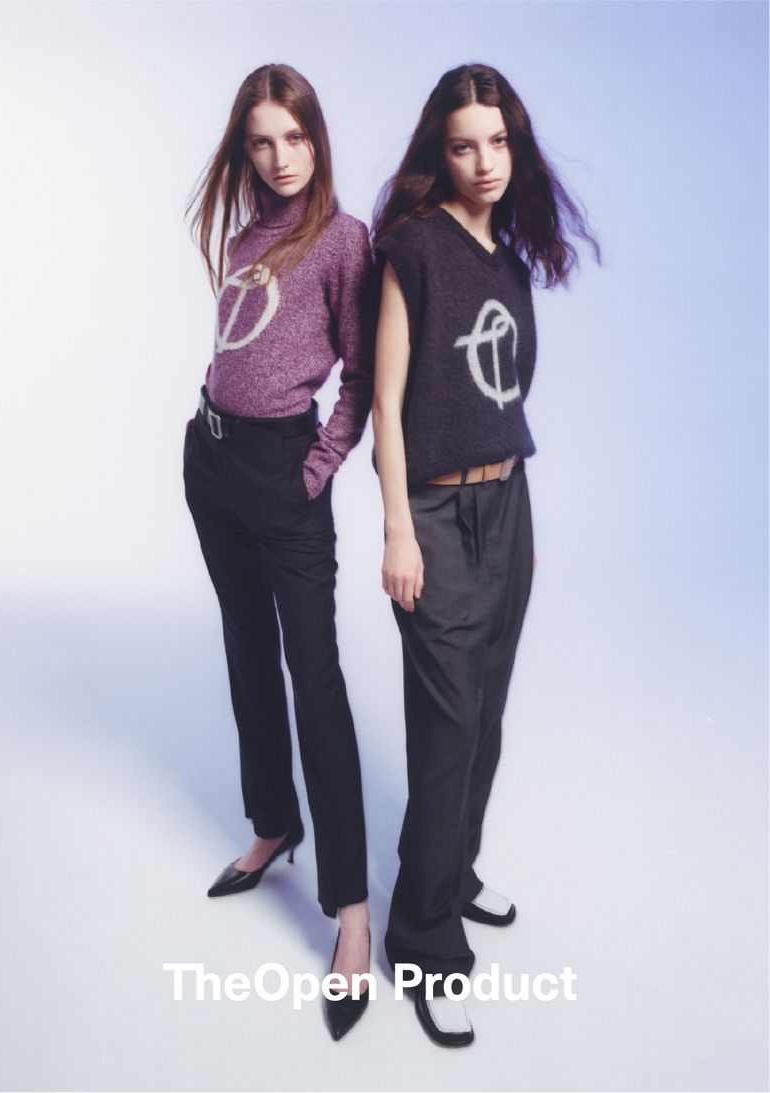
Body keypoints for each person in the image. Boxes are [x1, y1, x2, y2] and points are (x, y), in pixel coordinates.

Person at [371, 62, 599, 1047]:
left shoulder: (506, 259)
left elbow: (502, 393)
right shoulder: (413, 247)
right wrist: (397, 526)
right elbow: (387, 404)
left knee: (486, 718)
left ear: (516, 147)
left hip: (508, 506)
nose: (483, 161)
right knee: (448, 726)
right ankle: (423, 944)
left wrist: (518, 525)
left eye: (497, 142)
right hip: (432, 512)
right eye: (463, 145)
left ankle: (451, 871)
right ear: (441, 150)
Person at [183, 63, 374, 1041]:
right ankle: (271, 822)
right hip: (213, 461)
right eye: (260, 140)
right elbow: (239, 351)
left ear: (316, 138)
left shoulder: (342, 240)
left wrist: (320, 464)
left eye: (293, 136)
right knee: (245, 652)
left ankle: (352, 911)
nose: (279, 156)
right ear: (244, 148)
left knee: (316, 679)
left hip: (283, 473)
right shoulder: (244, 234)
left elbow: (362, 375)